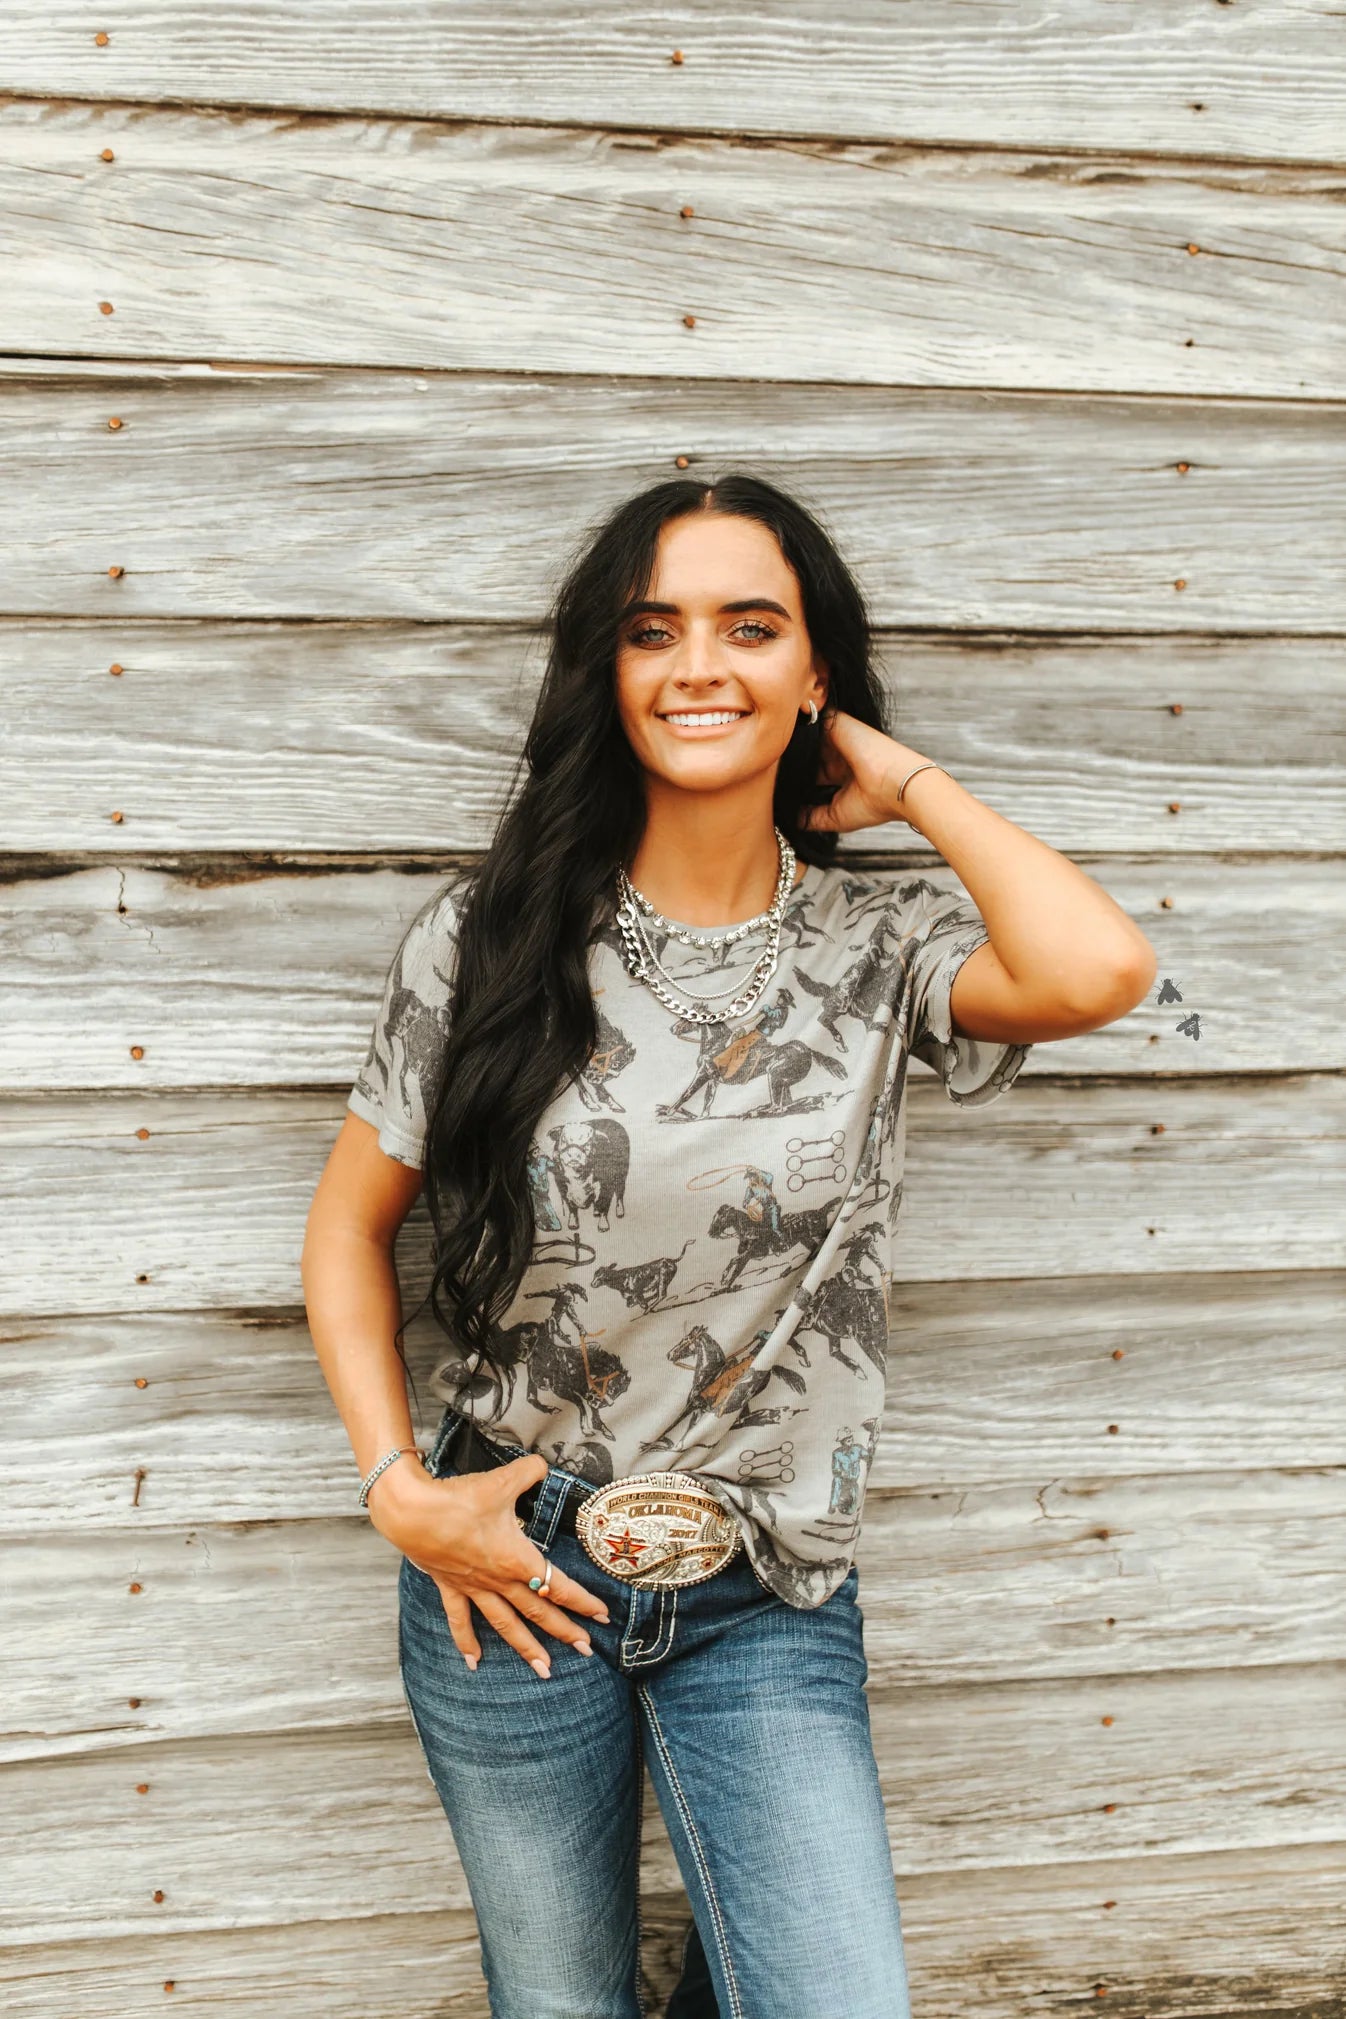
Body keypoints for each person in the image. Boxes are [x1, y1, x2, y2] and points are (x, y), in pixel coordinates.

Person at [301, 473, 1156, 2018]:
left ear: (811, 668)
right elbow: (348, 1233)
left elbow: (1098, 970)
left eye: (750, 627)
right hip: (510, 1557)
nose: (699, 665)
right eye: (653, 630)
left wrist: (903, 784)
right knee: (559, 2001)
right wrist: (398, 1496)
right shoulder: (484, 938)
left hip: (767, 1575)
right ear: (605, 672)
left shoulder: (884, 950)